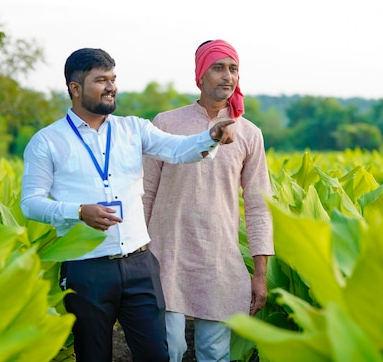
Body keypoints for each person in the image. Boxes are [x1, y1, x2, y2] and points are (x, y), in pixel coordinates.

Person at [20, 47, 235, 362]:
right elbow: (31, 203)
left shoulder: (134, 128)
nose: (111, 87)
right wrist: (78, 212)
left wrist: (211, 136)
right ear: (75, 89)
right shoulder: (47, 141)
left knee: (156, 355)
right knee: (94, 356)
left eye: (113, 78)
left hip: (140, 266)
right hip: (85, 267)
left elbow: (178, 150)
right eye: (100, 80)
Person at [142, 39, 274, 362]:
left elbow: (258, 206)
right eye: (218, 68)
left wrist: (260, 273)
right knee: (167, 348)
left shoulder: (249, 133)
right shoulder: (166, 124)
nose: (227, 76)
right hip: (166, 254)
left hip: (218, 259)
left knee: (214, 353)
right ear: (200, 75)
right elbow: (145, 191)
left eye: (233, 69)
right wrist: (137, 255)